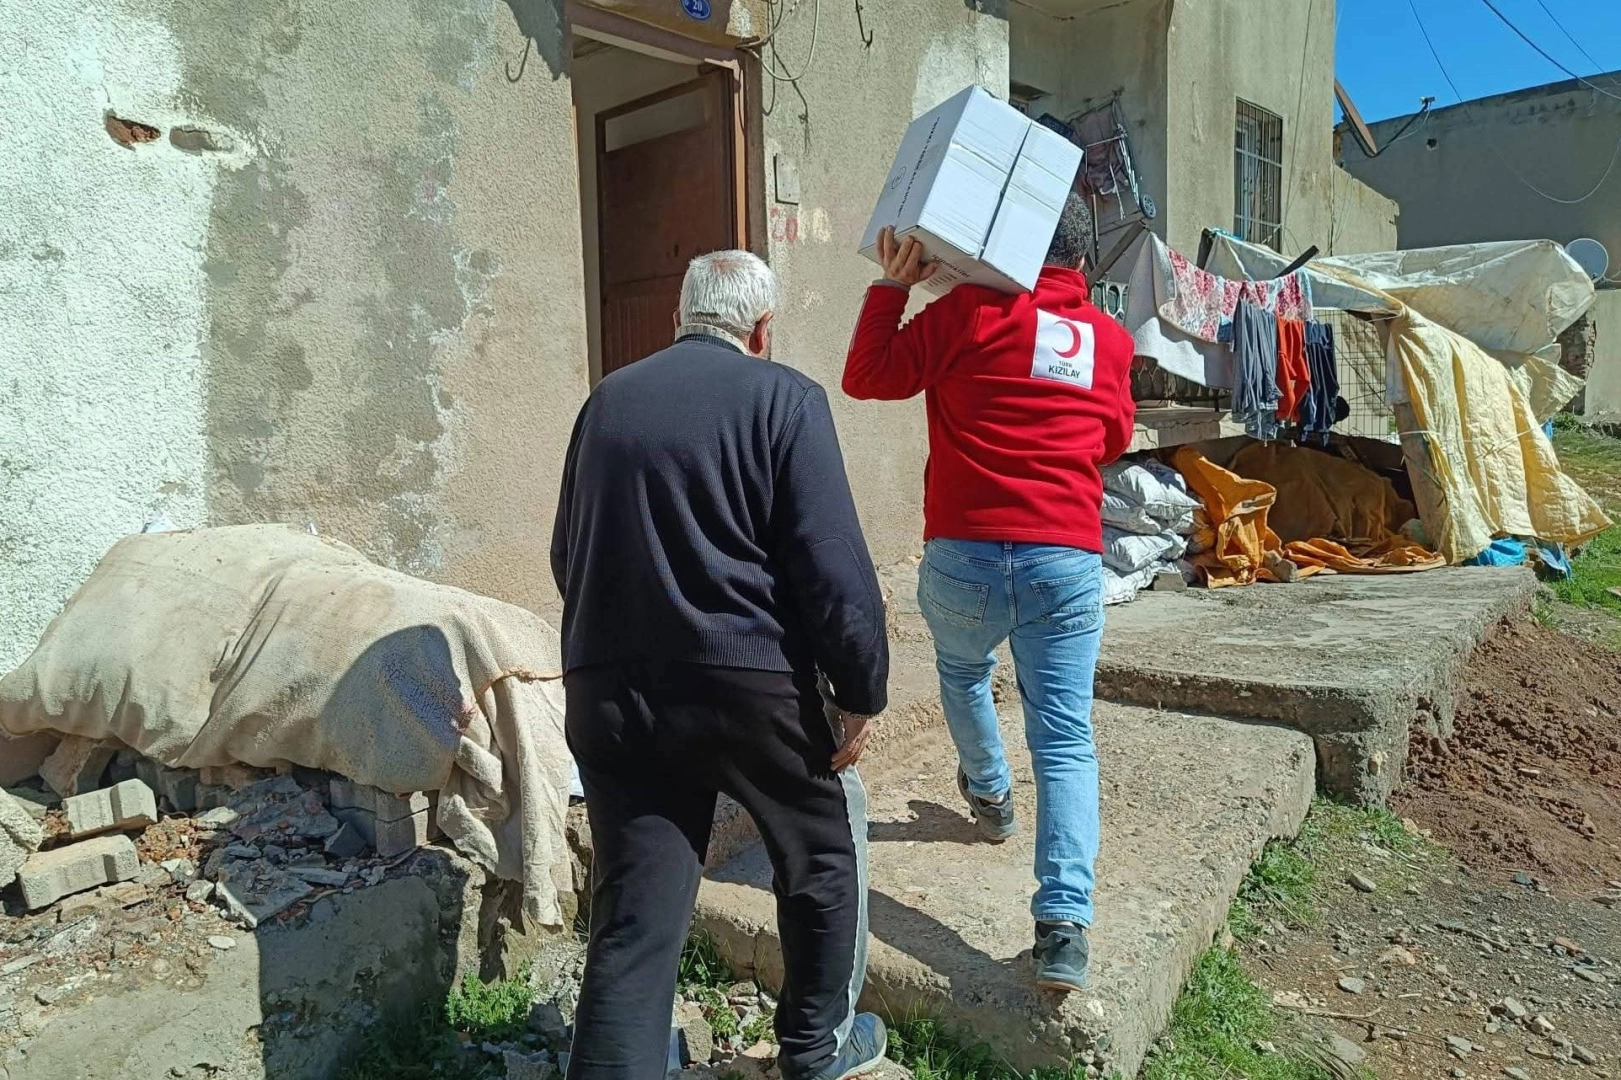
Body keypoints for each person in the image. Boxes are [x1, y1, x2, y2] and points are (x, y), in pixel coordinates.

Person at [552, 250, 891, 1080]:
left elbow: (568, 552)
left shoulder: (608, 402)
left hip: (611, 692)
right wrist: (858, 692)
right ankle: (815, 1050)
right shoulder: (784, 399)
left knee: (634, 905)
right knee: (819, 856)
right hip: (748, 689)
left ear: (681, 317)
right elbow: (832, 567)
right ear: (762, 328)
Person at [841, 194, 1135, 992]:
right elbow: (1110, 438)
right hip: (1065, 559)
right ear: (1083, 260)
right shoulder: (1107, 340)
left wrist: (893, 287)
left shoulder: (968, 313)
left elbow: (865, 377)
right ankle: (1064, 927)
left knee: (964, 672)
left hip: (963, 556)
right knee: (1066, 736)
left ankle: (992, 795)